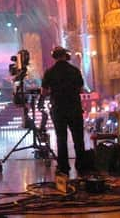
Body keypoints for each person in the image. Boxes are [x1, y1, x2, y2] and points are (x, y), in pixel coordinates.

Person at [41, 46, 90, 178]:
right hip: (74, 108)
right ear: (65, 55)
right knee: (78, 139)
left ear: (54, 57)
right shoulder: (74, 70)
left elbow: (44, 92)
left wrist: (55, 91)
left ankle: (63, 167)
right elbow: (81, 89)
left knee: (61, 139)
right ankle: (81, 166)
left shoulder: (49, 72)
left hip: (59, 109)